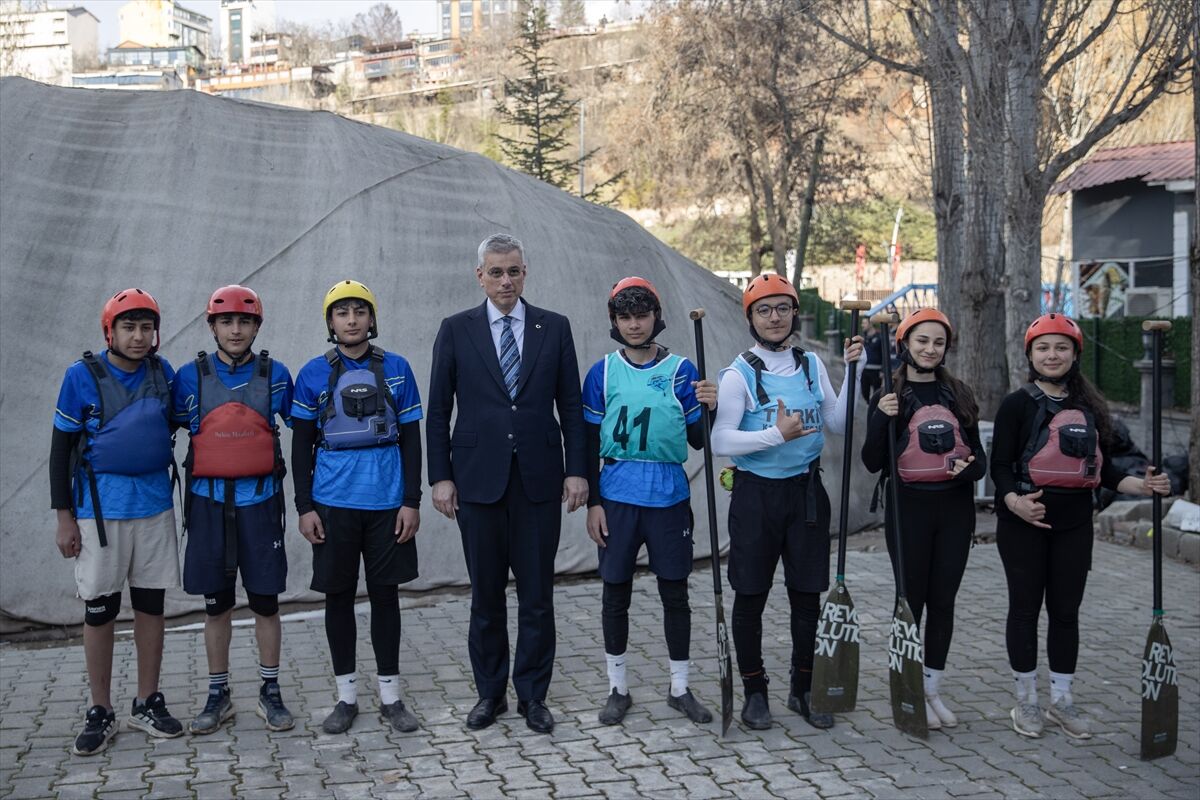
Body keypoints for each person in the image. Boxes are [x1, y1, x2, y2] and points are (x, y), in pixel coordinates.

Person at [427, 233, 587, 735]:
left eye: (513, 271)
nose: (505, 281)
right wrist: (441, 477)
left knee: (538, 595)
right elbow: (437, 413)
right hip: (477, 483)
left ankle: (533, 696)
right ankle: (490, 693)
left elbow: (573, 407)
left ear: (525, 273)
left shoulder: (554, 328)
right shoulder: (456, 330)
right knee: (487, 596)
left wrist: (577, 469)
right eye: (495, 272)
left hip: (539, 481)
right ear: (480, 276)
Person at [991, 313, 1170, 740]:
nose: (1052, 355)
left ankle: (1062, 699)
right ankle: (1026, 701)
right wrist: (1016, 504)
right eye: (1043, 348)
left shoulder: (1089, 407)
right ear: (1031, 355)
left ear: (1075, 354)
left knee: (1066, 614)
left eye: (1061, 348)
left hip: (1074, 523)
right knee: (1024, 610)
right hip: (1024, 521)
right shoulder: (1016, 404)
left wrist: (1144, 487)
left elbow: (1104, 473)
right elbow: (998, 468)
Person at [711, 273, 862, 731]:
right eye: (764, 310)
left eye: (782, 308)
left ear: (794, 312)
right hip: (757, 496)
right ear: (751, 318)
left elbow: (838, 423)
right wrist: (777, 433)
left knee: (806, 597)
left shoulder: (812, 364)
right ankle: (755, 692)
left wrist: (854, 371)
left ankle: (803, 688)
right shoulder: (739, 373)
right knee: (751, 597)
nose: (774, 318)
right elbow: (721, 439)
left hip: (806, 494)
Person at [50, 288, 183, 755]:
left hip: (153, 507)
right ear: (110, 330)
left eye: (147, 327)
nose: (139, 336)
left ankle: (146, 700)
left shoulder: (162, 372)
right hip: (97, 513)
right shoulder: (80, 376)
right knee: (100, 609)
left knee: (151, 606)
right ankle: (100, 709)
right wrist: (64, 517)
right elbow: (61, 449)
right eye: (129, 327)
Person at [291, 280, 425, 735]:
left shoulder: (398, 368)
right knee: (338, 598)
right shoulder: (312, 373)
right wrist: (305, 506)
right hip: (333, 504)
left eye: (359, 311)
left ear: (372, 318)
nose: (351, 320)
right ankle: (346, 697)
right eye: (342, 312)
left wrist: (411, 500)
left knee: (386, 597)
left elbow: (411, 438)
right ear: (330, 322)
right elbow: (301, 443)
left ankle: (391, 697)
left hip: (387, 503)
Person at [581, 277, 717, 726]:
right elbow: (586, 441)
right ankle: (617, 689)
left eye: (642, 315)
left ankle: (680, 687)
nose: (634, 324)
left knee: (674, 593)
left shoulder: (681, 371)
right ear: (614, 321)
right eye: (625, 317)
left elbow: (700, 441)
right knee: (615, 592)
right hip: (617, 495)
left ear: (656, 317)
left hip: (668, 495)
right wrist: (593, 503)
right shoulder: (602, 372)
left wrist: (709, 408)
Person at [172, 285, 295, 735]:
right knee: (216, 606)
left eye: (245, 321)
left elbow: (304, 432)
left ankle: (270, 690)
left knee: (266, 603)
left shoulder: (276, 374)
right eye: (227, 321)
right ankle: (218, 694)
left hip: (261, 505)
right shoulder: (189, 377)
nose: (236, 329)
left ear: (257, 326)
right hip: (208, 506)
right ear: (212, 326)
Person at [861, 308, 986, 731]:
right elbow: (871, 461)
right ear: (905, 345)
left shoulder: (959, 394)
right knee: (910, 602)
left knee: (943, 602)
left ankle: (933, 688)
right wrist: (881, 415)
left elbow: (980, 462)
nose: (930, 349)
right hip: (908, 509)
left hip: (954, 511)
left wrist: (965, 469)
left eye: (937, 342)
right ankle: (909, 687)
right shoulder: (889, 393)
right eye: (922, 341)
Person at [860, 317, 883, 402]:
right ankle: (869, 404)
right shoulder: (862, 336)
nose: (862, 325)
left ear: (870, 324)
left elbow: (884, 353)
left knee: (877, 392)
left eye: (864, 323)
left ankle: (874, 409)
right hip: (864, 369)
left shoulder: (880, 336)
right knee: (864, 392)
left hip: (876, 370)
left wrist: (883, 370)